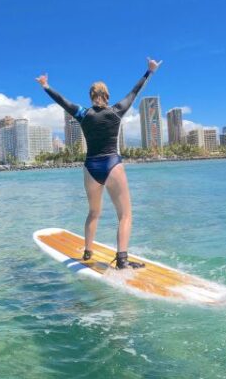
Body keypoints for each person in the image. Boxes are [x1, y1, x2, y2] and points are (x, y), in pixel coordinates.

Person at [36, 58, 162, 269]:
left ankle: (87, 252)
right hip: (113, 165)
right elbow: (134, 92)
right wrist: (149, 72)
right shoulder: (116, 111)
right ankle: (122, 260)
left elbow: (62, 101)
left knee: (93, 212)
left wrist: (45, 85)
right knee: (125, 215)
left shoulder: (83, 114)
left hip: (91, 168)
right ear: (107, 96)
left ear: (91, 97)